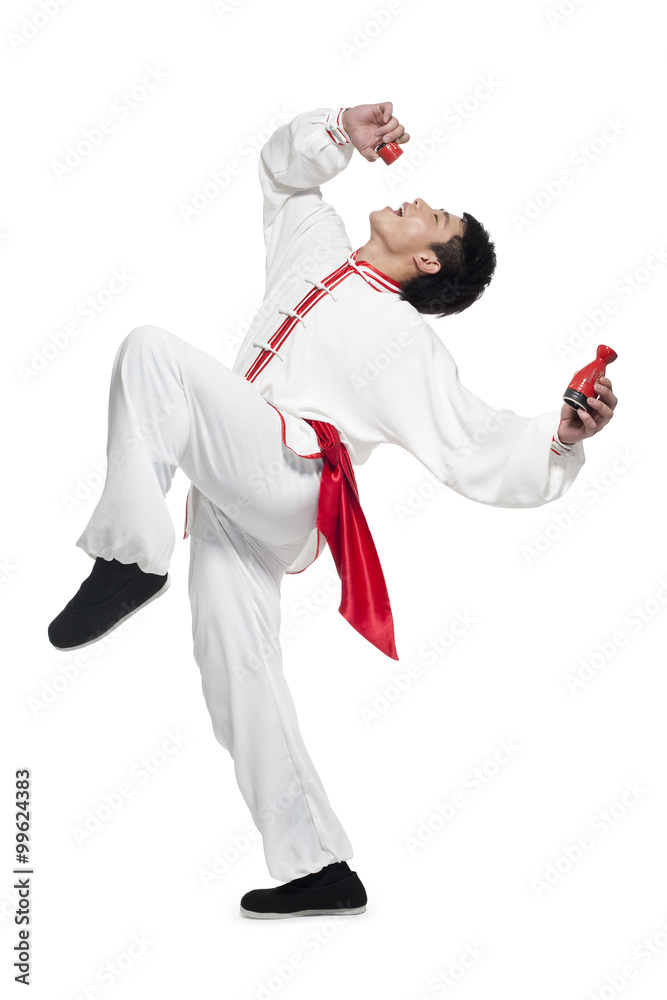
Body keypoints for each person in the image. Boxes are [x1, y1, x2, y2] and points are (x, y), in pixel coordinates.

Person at [47, 102, 617, 919]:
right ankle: (318, 868)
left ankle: (130, 557)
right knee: (234, 672)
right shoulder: (315, 247)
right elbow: (282, 171)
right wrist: (342, 133)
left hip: (292, 472)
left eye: (436, 216)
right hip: (231, 483)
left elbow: (471, 441)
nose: (420, 199)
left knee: (150, 353)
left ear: (425, 259)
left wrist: (557, 436)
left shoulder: (403, 338)